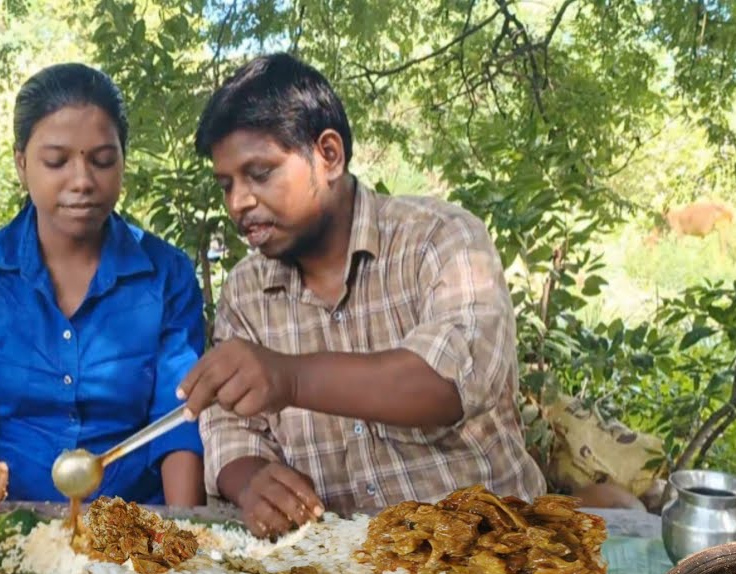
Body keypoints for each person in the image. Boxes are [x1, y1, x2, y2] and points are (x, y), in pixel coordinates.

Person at [177, 53, 547, 538]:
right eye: (226, 184)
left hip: (495, 557)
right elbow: (229, 427)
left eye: (259, 173)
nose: (238, 202)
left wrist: (287, 376)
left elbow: (452, 381)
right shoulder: (247, 292)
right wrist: (250, 482)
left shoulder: (439, 238)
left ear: (328, 155)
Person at [0, 63, 206, 514]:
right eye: (56, 161)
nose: (82, 180)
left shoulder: (166, 275)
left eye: (103, 161)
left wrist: (184, 537)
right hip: (9, 522)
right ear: (22, 163)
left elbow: (176, 423)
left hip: (138, 526)